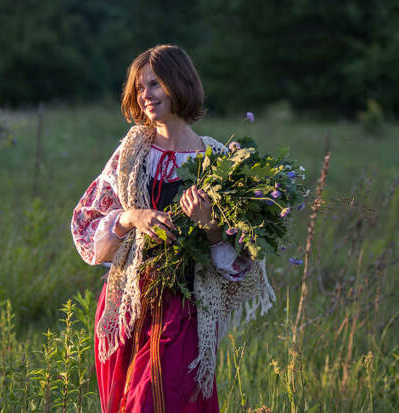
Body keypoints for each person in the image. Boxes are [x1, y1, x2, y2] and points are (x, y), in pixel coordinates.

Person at [71, 45, 275, 412]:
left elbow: (239, 264)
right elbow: (87, 223)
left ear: (179, 84)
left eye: (154, 84)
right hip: (130, 302)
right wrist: (131, 217)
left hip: (186, 306)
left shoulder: (216, 161)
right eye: (139, 87)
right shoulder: (131, 153)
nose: (145, 95)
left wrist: (211, 225)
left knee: (153, 401)